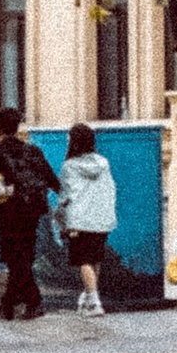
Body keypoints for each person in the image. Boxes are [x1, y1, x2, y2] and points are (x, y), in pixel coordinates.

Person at [0, 106, 55, 320]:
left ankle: (33, 301)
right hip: (33, 210)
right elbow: (51, 178)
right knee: (24, 255)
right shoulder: (32, 150)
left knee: (15, 257)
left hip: (9, 210)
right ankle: (9, 302)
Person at [57, 122, 118, 315]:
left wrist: (60, 217)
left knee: (83, 259)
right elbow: (110, 189)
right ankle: (89, 295)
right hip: (101, 219)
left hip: (79, 221)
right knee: (94, 259)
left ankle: (93, 301)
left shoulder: (69, 166)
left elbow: (66, 196)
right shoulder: (103, 163)